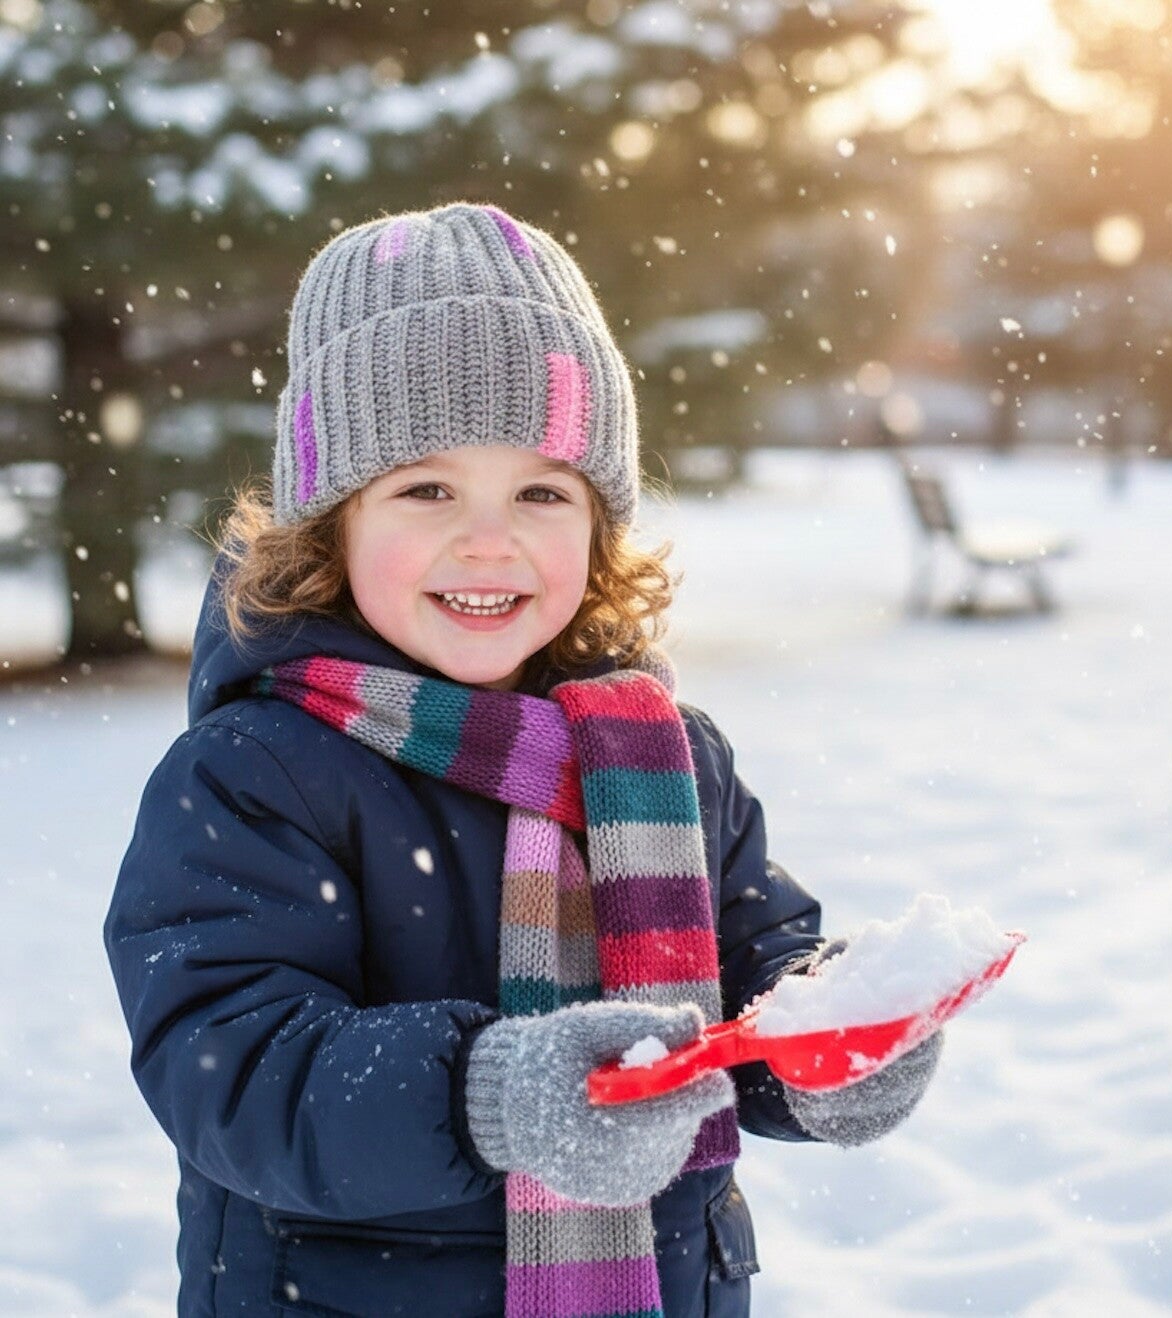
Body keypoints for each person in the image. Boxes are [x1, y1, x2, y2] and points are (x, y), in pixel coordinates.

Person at [105, 202, 941, 1318]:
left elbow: (748, 976)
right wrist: (484, 1095)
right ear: (329, 524)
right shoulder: (258, 771)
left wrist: (823, 1043)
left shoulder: (666, 759)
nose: (489, 539)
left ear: (598, 528)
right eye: (426, 488)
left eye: (542, 492)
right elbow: (236, 1069)